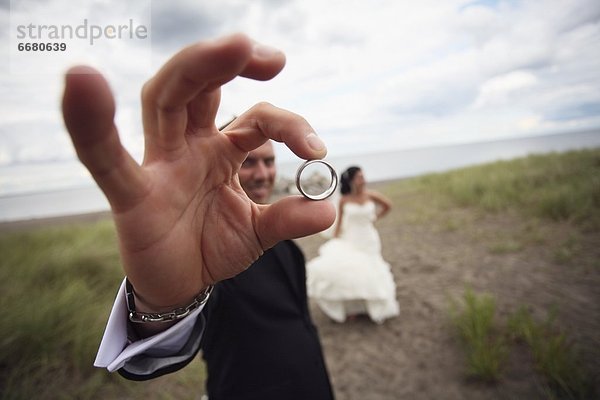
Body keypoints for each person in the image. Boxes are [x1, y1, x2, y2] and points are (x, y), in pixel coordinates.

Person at [61, 34, 336, 399]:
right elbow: (165, 348)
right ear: (229, 170)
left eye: (269, 161)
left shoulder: (281, 238)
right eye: (249, 162)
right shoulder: (214, 254)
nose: (262, 173)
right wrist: (163, 305)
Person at [306, 166, 400, 324]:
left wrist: (376, 217)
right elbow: (339, 222)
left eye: (363, 176)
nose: (363, 180)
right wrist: (335, 240)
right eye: (359, 177)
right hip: (351, 238)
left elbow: (388, 205)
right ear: (351, 180)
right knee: (353, 270)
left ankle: (372, 305)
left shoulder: (371, 195)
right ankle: (354, 308)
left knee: (371, 268)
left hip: (369, 238)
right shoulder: (344, 200)